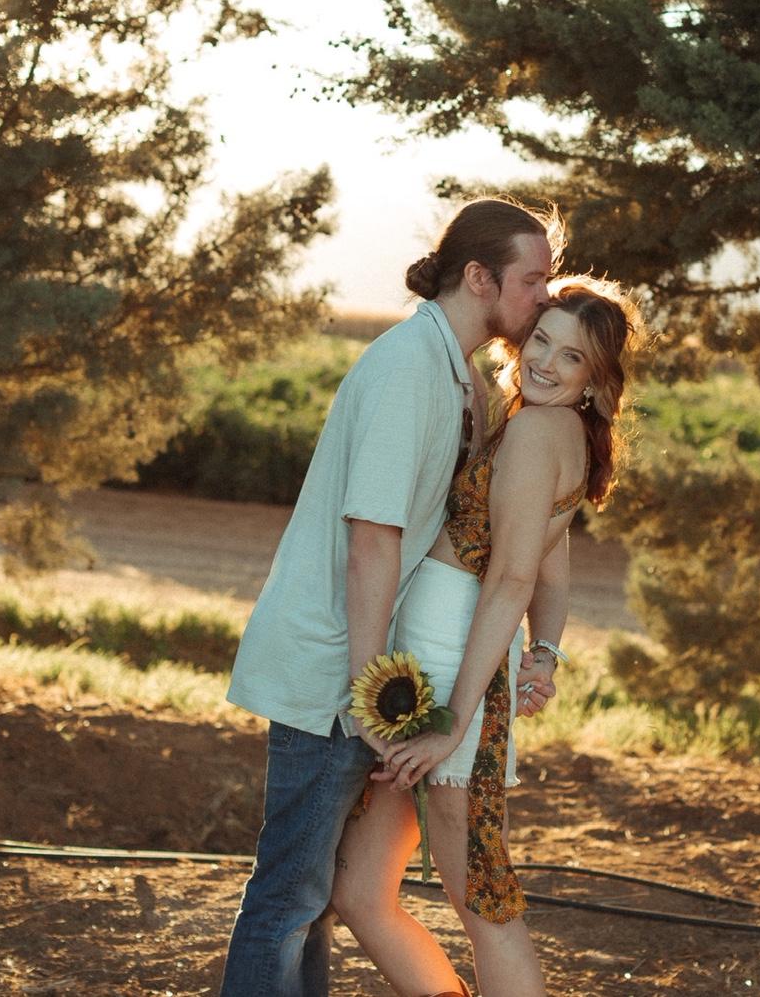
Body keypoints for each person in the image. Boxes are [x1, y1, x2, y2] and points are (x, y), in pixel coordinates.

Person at [219, 197, 566, 997]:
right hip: (335, 672)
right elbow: (371, 538)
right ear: (478, 277)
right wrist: (371, 693)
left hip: (369, 668)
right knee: (289, 896)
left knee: (314, 898)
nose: (544, 297)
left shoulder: (460, 375)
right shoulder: (410, 369)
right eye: (532, 280)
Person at [331, 278, 640, 997]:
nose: (545, 363)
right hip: (431, 677)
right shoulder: (545, 426)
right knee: (360, 890)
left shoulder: (536, 432)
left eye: (571, 357)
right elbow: (553, 567)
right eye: (542, 342)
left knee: (483, 899)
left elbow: (512, 579)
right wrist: (546, 652)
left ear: (596, 381)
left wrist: (452, 724)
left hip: (455, 685)